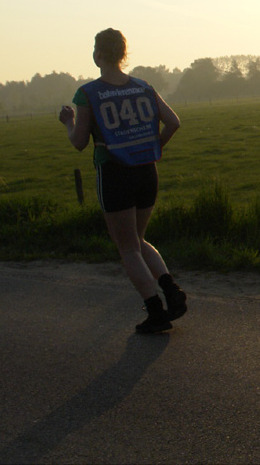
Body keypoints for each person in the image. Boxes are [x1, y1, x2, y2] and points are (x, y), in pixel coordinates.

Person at [59, 28, 187, 334]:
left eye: (94, 49)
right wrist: (152, 148)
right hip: (147, 171)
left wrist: (69, 122)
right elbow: (173, 122)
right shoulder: (144, 87)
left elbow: (79, 142)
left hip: (115, 173)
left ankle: (155, 310)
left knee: (127, 247)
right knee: (139, 239)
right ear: (123, 54)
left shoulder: (88, 93)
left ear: (99, 55)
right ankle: (171, 290)